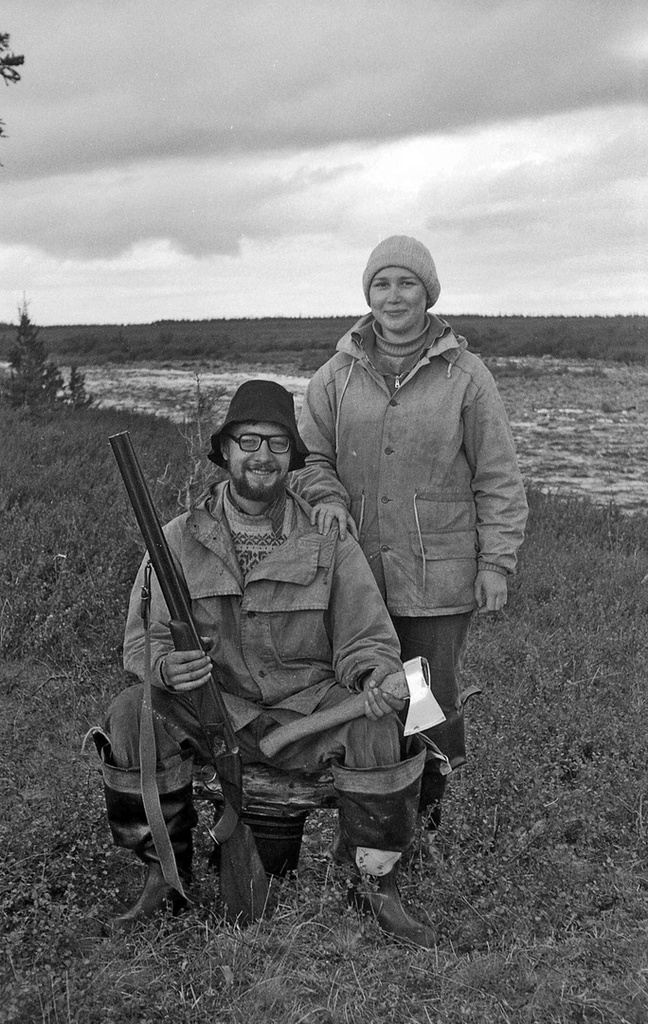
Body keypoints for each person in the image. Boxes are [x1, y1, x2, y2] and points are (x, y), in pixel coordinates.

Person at [91, 379, 436, 946]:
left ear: (293, 460)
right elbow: (142, 640)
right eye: (249, 441)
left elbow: (367, 640)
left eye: (278, 444)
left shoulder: (330, 541)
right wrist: (164, 669)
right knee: (132, 711)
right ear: (225, 450)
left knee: (380, 724)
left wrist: (376, 677)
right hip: (213, 709)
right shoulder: (176, 540)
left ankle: (376, 885)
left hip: (305, 712)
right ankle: (162, 876)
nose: (262, 456)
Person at [292, 235, 529, 833]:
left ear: (428, 292)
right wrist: (326, 497)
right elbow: (310, 457)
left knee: (425, 694)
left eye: (406, 283)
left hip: (439, 577)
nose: (393, 296)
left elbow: (498, 475)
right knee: (364, 688)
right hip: (356, 576)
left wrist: (496, 562)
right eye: (381, 284)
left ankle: (425, 818)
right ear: (367, 294)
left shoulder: (467, 378)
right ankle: (371, 814)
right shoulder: (335, 376)